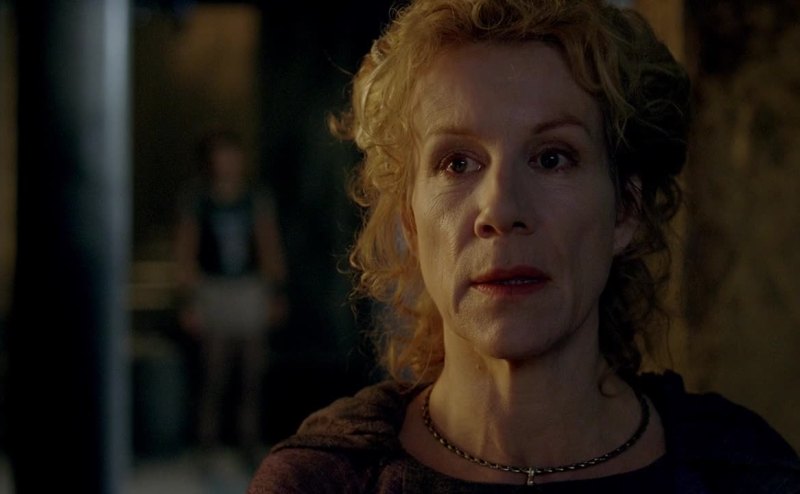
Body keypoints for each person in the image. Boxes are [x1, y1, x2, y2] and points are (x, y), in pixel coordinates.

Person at [248, 0, 800, 492]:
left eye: (552, 158)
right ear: (411, 222)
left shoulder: (741, 472)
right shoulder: (322, 481)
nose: (500, 209)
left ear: (625, 209)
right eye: (457, 163)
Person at [175, 129, 288, 460]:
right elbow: (186, 248)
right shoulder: (198, 198)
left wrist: (276, 291)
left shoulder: (255, 197)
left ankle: (248, 440)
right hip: (213, 288)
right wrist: (187, 300)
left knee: (252, 371)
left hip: (248, 288)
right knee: (214, 370)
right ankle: (206, 441)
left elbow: (268, 244)